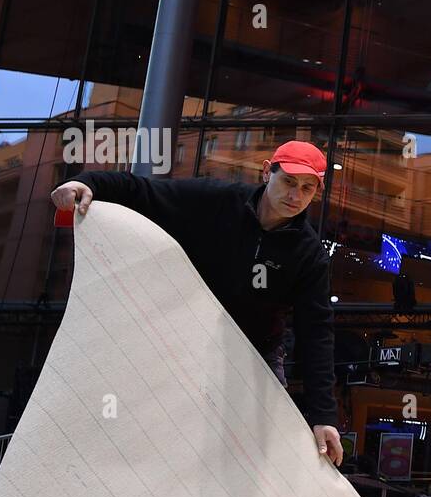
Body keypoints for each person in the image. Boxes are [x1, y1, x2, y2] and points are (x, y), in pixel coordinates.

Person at [49, 140, 344, 464]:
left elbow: (317, 333)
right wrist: (86, 183)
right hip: (188, 336)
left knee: (253, 451)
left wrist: (323, 416)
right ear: (265, 172)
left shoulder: (309, 253)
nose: (295, 196)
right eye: (288, 182)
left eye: (307, 188)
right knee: (158, 432)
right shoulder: (217, 201)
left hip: (256, 352)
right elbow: (143, 192)